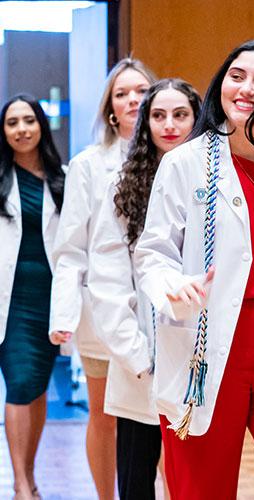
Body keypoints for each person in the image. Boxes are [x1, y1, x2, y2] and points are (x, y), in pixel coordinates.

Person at [134, 40, 254, 500]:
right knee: (201, 489)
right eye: (237, 76)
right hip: (209, 342)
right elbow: (153, 252)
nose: (247, 89)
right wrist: (171, 286)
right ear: (221, 83)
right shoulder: (186, 162)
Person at [88, 78, 201, 500]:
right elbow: (106, 279)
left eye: (180, 115)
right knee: (136, 480)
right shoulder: (124, 188)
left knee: (192, 480)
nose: (169, 125)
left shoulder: (214, 182)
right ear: (145, 123)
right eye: (158, 115)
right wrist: (138, 355)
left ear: (197, 119)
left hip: (199, 358)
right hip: (141, 363)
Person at [48, 58, 156, 500]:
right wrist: (64, 315)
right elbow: (70, 247)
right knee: (106, 414)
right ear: (110, 108)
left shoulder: (175, 158)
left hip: (160, 312)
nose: (133, 99)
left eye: (141, 91)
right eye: (122, 93)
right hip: (105, 314)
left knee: (156, 416)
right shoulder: (88, 165)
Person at [0, 94, 65, 500]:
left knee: (38, 386)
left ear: (41, 125)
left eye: (28, 120)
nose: (21, 128)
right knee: (21, 383)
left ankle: (31, 475)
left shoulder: (63, 178)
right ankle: (21, 485)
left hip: (50, 296)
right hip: (10, 299)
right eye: (12, 122)